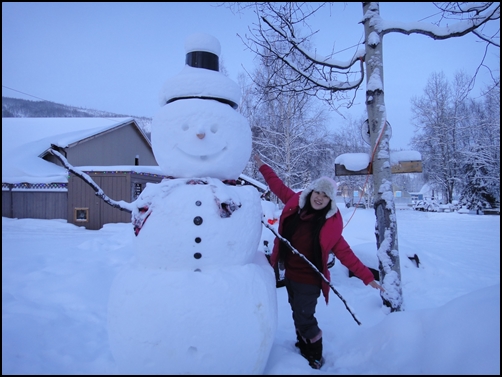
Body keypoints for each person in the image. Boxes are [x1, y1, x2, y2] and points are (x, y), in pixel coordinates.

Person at [254, 154, 384, 369]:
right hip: (290, 275)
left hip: (310, 280)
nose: (319, 197)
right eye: (317, 192)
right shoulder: (295, 204)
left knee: (306, 318)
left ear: (330, 201)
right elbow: (276, 184)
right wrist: (262, 166)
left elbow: (347, 255)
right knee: (297, 311)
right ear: (311, 192)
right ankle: (302, 343)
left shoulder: (329, 226)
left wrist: (367, 277)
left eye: (325, 195)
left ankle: (314, 355)